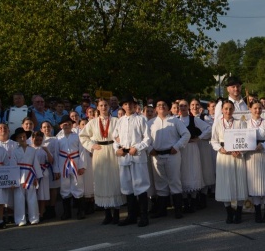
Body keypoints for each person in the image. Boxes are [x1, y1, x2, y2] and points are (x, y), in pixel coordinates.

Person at [79, 99, 124, 224]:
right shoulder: (92, 122)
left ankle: (116, 213)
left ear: (109, 107)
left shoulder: (116, 121)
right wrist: (91, 146)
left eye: (106, 105)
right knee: (101, 180)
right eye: (101, 105)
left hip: (113, 150)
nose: (103, 107)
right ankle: (107, 213)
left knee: (115, 180)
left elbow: (123, 134)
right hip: (99, 151)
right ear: (97, 108)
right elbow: (83, 136)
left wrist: (120, 144)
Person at [147, 98, 190, 219]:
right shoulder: (150, 123)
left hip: (172, 155)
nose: (161, 106)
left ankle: (178, 209)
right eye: (159, 105)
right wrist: (150, 149)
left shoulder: (175, 121)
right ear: (155, 108)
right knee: (160, 183)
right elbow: (145, 139)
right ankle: (162, 210)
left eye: (164, 104)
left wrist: (177, 146)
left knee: (174, 181)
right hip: (157, 156)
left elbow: (186, 134)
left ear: (168, 107)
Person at [114, 95, 153, 227]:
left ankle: (144, 216)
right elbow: (115, 138)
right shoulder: (120, 121)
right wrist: (117, 149)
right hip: (124, 158)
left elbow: (147, 139)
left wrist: (137, 147)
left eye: (130, 104)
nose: (128, 106)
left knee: (140, 185)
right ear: (123, 106)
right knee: (127, 187)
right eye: (125, 104)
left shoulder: (141, 119)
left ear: (134, 105)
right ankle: (131, 215)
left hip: (137, 157)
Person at [211, 101, 249, 223]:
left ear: (233, 110)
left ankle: (238, 212)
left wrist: (240, 151)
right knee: (225, 183)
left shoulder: (240, 122)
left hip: (237, 156)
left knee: (239, 182)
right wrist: (220, 149)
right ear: (222, 109)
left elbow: (245, 139)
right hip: (224, 157)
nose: (228, 111)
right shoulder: (217, 123)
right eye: (226, 109)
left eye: (230, 109)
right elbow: (214, 140)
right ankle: (229, 212)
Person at [11, 127, 43, 226]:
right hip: (19, 175)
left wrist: (36, 177)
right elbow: (12, 166)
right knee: (19, 199)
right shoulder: (14, 151)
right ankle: (20, 219)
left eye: (24, 136)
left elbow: (36, 164)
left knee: (32, 197)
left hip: (30, 175)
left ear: (26, 137)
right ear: (16, 139)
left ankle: (34, 218)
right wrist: (13, 180)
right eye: (20, 137)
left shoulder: (32, 150)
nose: (22, 139)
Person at [57, 115, 86, 219]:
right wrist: (56, 169)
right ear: (61, 126)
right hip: (63, 163)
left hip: (75, 162)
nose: (67, 126)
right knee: (64, 186)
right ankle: (66, 212)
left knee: (77, 185)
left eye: (69, 124)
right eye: (64, 124)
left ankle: (81, 211)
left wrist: (82, 166)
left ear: (72, 125)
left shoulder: (76, 136)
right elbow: (56, 154)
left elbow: (82, 152)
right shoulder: (58, 138)